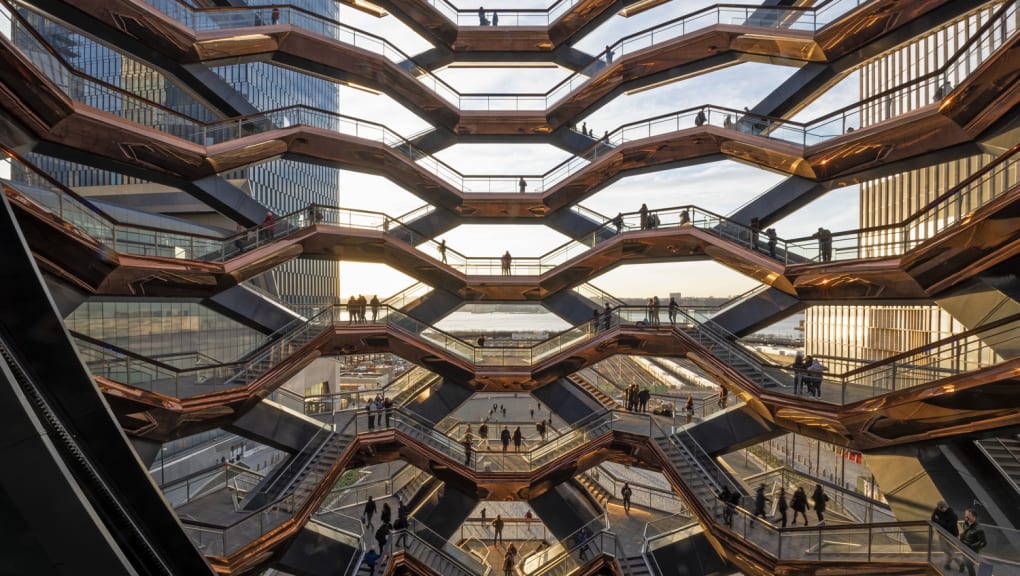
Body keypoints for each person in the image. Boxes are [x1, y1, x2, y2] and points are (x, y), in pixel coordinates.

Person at [956, 508, 986, 576]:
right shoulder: (965, 523)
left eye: (968, 515)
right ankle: (961, 567)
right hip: (964, 548)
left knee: (969, 566)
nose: (965, 516)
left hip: (972, 551)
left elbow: (983, 543)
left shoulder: (979, 529)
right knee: (964, 560)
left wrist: (971, 546)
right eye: (965, 514)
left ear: (974, 517)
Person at [932, 500, 959, 569]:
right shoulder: (938, 509)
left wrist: (938, 521)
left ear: (943, 507)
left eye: (940, 509)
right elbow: (933, 518)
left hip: (952, 534)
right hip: (942, 533)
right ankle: (958, 561)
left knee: (949, 549)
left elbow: (946, 526)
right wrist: (941, 522)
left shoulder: (952, 515)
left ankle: (947, 564)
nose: (937, 510)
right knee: (944, 548)